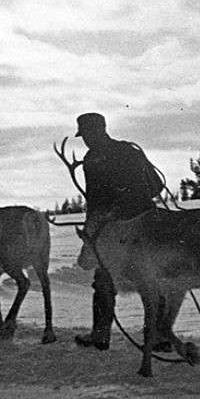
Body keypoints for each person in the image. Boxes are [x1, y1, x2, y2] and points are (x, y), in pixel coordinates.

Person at [72, 112, 164, 351]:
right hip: (119, 228)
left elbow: (152, 186)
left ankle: (112, 336)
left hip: (135, 226)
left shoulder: (108, 156)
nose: (86, 140)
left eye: (88, 134)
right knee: (109, 279)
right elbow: (156, 185)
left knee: (144, 279)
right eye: (84, 136)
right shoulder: (107, 155)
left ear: (100, 130)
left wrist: (117, 207)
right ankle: (109, 335)